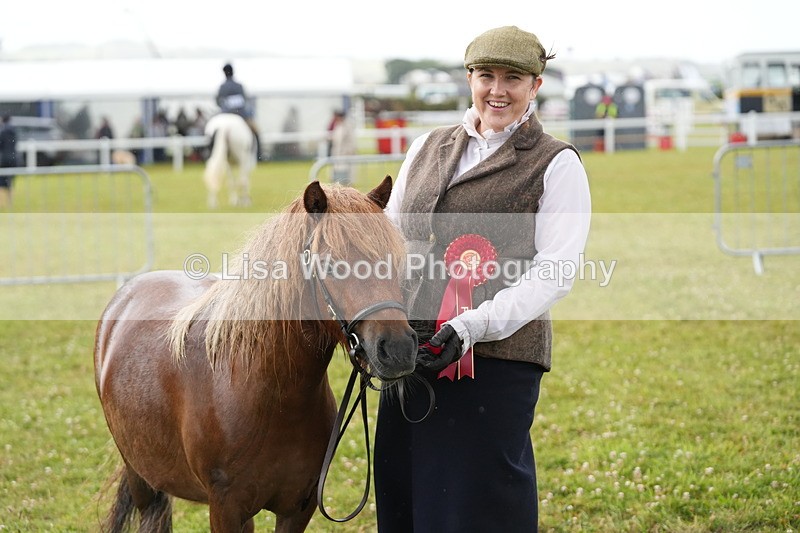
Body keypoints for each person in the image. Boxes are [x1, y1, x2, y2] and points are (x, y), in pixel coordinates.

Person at [374, 26, 591, 532]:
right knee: (407, 499)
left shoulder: (556, 163)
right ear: (469, 79)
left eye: (512, 78)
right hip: (413, 353)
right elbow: (391, 235)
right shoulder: (427, 146)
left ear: (535, 85)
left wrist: (473, 325)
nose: (497, 90)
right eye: (485, 76)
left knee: (477, 507)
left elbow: (555, 272)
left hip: (497, 360)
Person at [216, 63, 261, 159]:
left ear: (224, 73)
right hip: (241, 114)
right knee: (256, 132)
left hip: (226, 115)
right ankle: (259, 154)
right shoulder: (239, 86)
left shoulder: (222, 87)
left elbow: (218, 101)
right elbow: (245, 100)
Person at [328, 109, 356, 185]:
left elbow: (351, 140)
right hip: (338, 152)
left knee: (347, 171)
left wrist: (349, 151)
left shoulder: (347, 125)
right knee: (337, 170)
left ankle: (347, 183)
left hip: (346, 152)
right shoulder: (338, 125)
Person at [0, 115, 18, 208]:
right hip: (13, 159)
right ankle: (10, 203)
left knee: (2, 181)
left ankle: (2, 202)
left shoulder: (2, 131)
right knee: (10, 182)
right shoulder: (14, 131)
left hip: (3, 160)